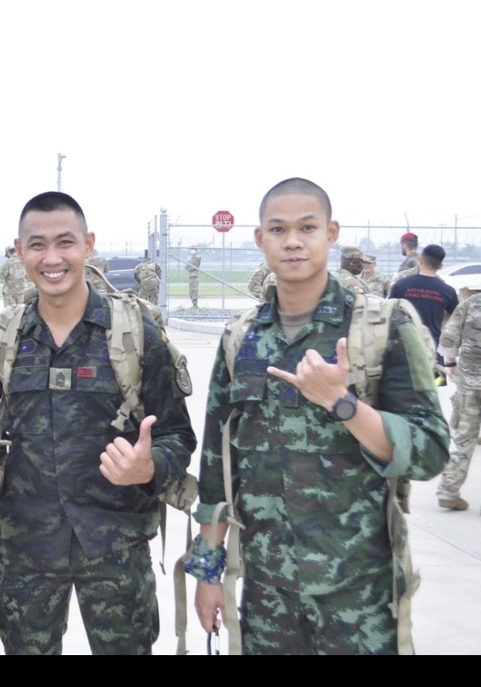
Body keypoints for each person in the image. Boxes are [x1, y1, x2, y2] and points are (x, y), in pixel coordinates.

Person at [190, 177, 449, 655]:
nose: (292, 241)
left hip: (361, 594)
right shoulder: (240, 338)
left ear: (331, 233)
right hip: (267, 594)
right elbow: (216, 471)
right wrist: (208, 572)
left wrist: (343, 404)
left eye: (307, 227)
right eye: (278, 229)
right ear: (260, 239)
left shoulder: (383, 327)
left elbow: (430, 452)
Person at [0, 191, 197, 655]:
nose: (52, 258)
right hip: (26, 552)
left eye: (65, 243)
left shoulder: (137, 333)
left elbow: (176, 434)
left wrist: (149, 468)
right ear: (19, 249)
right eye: (37, 245)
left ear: (88, 244)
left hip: (115, 549)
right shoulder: (3, 337)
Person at [435, 279, 481, 511]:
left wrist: (450, 363)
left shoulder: (471, 303)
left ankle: (448, 491)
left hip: (470, 382)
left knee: (463, 437)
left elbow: (448, 337)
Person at [389, 243, 458, 363]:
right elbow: (456, 318)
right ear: (440, 266)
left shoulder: (401, 285)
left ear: (420, 260)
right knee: (434, 381)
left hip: (404, 345)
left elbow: (388, 311)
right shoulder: (448, 291)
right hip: (433, 349)